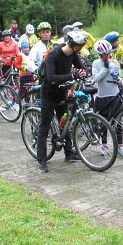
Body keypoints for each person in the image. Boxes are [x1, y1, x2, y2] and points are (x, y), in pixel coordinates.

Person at [35, 30, 87, 172]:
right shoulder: (54, 54)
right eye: (80, 46)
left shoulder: (73, 54)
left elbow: (81, 67)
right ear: (75, 45)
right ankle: (42, 161)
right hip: (48, 94)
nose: (81, 49)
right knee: (44, 128)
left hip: (61, 93)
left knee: (65, 122)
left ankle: (69, 153)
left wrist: (83, 72)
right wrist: (71, 75)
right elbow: (51, 77)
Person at [91, 39, 123, 155]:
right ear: (100, 55)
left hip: (114, 95)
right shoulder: (96, 64)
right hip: (102, 96)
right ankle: (104, 145)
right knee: (104, 122)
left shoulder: (115, 63)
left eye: (108, 54)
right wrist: (105, 67)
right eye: (104, 55)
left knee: (118, 121)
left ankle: (120, 145)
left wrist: (118, 78)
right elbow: (96, 79)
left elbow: (117, 76)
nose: (107, 56)